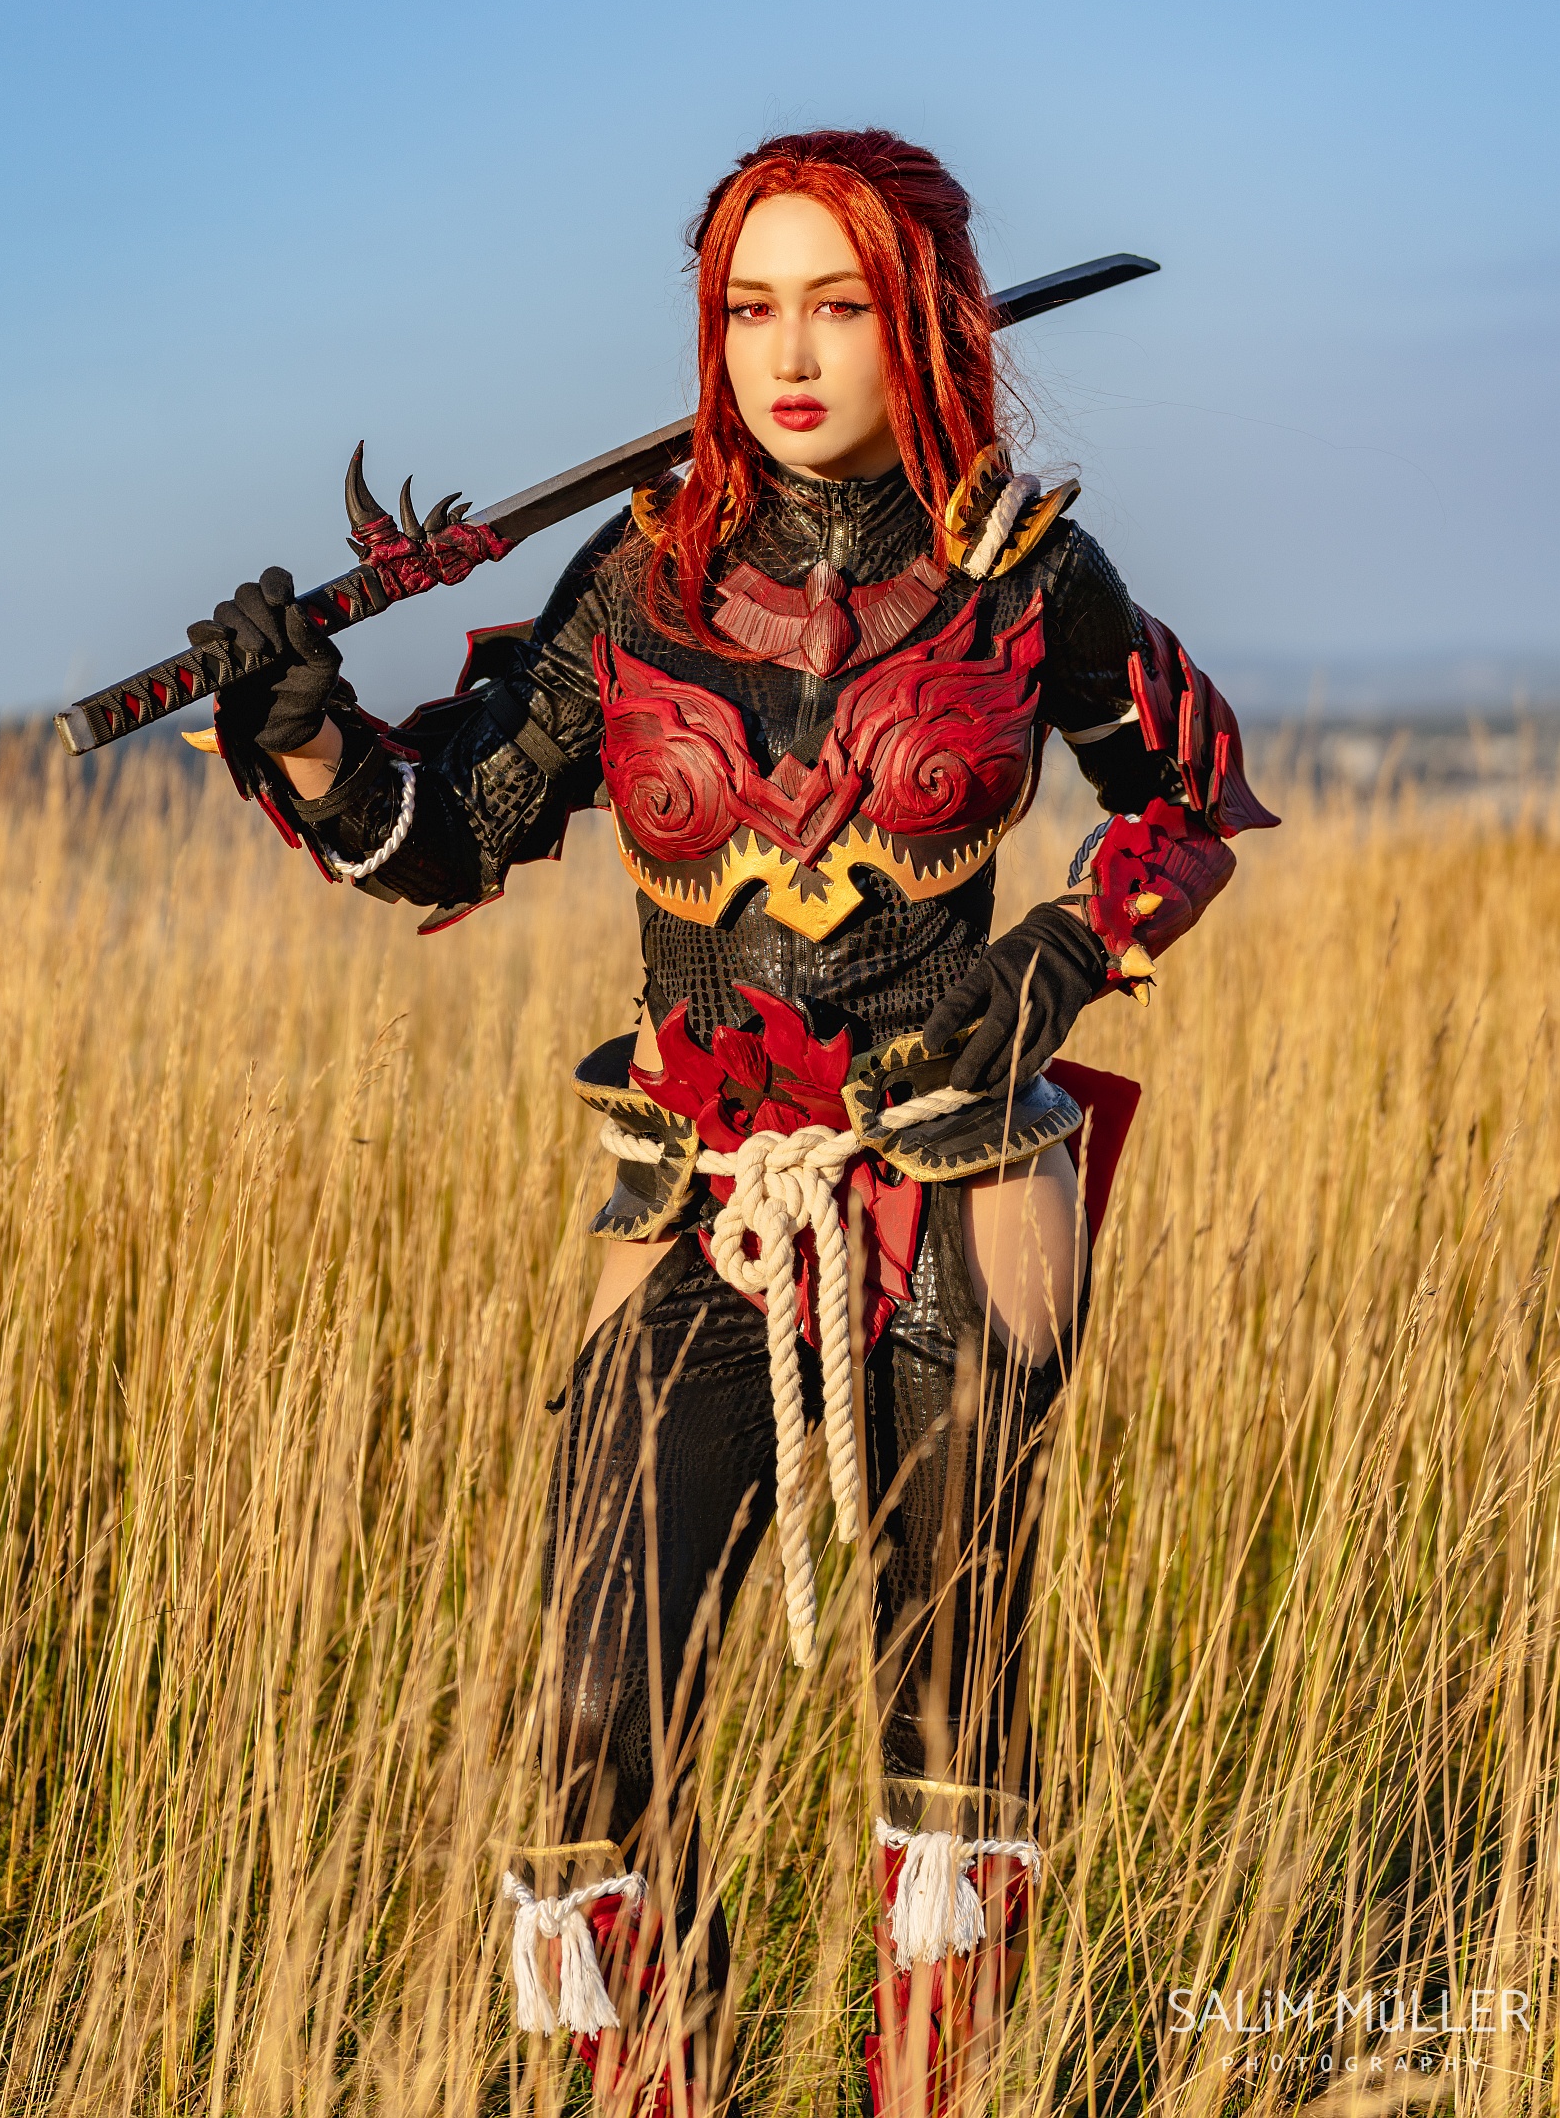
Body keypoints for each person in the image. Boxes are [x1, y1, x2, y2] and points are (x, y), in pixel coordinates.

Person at [186, 129, 1276, 2115]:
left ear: (918, 321)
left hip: (959, 1171)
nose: (787, 351)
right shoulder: (632, 580)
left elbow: (1186, 798)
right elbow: (448, 832)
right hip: (696, 1191)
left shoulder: (1026, 571)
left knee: (947, 1714)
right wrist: (311, 737)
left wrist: (1051, 960)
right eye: (749, 306)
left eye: (837, 305)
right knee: (585, 1718)